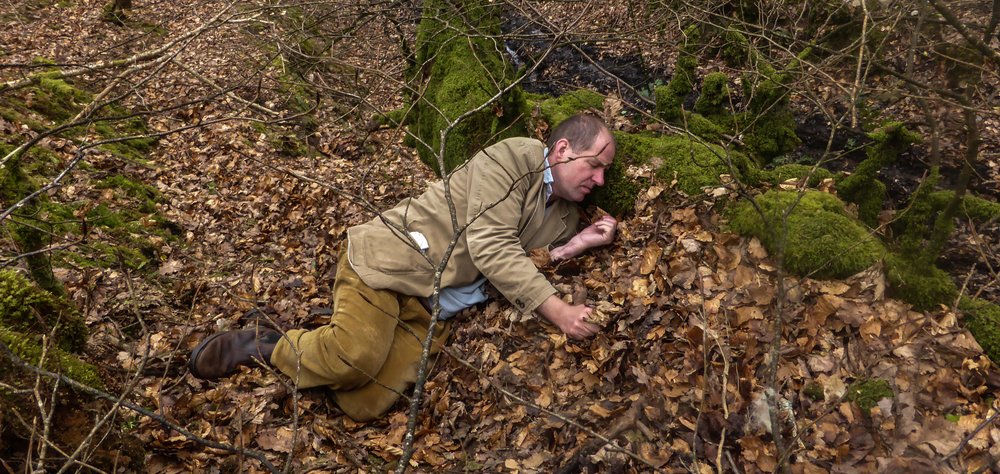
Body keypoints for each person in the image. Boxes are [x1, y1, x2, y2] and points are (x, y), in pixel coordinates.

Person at [188, 113, 618, 421]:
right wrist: (559, 311)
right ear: (562, 150)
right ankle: (260, 345)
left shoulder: (564, 217)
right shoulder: (514, 158)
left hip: (431, 308)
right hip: (391, 263)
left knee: (363, 404)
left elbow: (519, 266)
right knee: (352, 359)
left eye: (605, 172)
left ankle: (328, 332)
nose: (599, 180)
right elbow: (490, 244)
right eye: (593, 165)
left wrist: (576, 245)